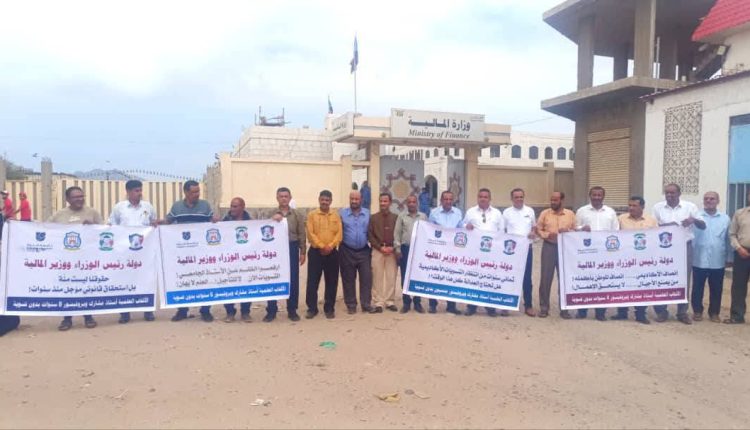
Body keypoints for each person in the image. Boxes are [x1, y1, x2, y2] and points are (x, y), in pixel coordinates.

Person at [48, 186, 103, 331]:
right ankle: (67, 319)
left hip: (87, 260)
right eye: (76, 197)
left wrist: (93, 227)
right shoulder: (59, 215)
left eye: (81, 196)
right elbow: (46, 230)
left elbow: (104, 232)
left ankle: (88, 316)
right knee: (67, 288)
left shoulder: (92, 212)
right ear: (67, 199)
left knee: (86, 287)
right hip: (66, 261)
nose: (80, 199)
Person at [652, 183, 706, 324]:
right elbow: (652, 227)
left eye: (672, 192)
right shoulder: (658, 207)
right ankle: (661, 311)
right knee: (661, 277)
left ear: (679, 193)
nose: (669, 195)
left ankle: (682, 312)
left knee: (684, 279)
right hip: (663, 248)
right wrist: (667, 226)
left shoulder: (690, 207)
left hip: (684, 247)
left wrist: (693, 220)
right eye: (667, 193)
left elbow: (703, 225)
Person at [165, 180, 216, 323]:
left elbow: (212, 220)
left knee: (204, 280)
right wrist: (158, 224)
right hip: (183, 253)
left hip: (202, 252)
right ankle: (182, 311)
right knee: (183, 280)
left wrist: (215, 220)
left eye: (198, 191)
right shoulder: (177, 207)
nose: (197, 194)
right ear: (186, 192)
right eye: (194, 192)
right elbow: (168, 222)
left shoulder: (205, 205)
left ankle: (205, 311)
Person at [108, 179, 157, 324]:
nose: (139, 193)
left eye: (140, 190)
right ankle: (124, 312)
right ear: (128, 192)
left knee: (146, 279)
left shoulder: (148, 206)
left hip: (144, 251)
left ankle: (148, 310)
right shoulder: (119, 208)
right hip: (125, 252)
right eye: (136, 191)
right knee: (124, 280)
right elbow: (112, 226)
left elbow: (153, 223)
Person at [575, 186, 619, 321]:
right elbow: (574, 228)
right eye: (594, 195)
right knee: (585, 281)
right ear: (590, 196)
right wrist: (582, 228)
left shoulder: (610, 212)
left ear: (603, 196)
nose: (596, 197)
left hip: (605, 253)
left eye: (599, 195)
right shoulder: (582, 211)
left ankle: (600, 312)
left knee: (603, 282)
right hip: (587, 252)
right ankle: (582, 311)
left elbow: (616, 231)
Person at [612, 196, 658, 324]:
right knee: (623, 285)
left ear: (642, 207)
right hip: (625, 258)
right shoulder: (621, 219)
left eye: (634, 206)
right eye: (630, 205)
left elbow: (655, 238)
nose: (631, 208)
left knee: (642, 285)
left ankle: (640, 313)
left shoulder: (651, 220)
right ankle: (622, 312)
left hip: (644, 259)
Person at [264, 187, 305, 322]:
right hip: (275, 250)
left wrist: (303, 252)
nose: (283, 199)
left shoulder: (297, 215)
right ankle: (271, 311)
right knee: (273, 277)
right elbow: (263, 230)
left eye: (286, 196)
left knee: (293, 279)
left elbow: (301, 234)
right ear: (277, 198)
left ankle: (292, 310)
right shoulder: (270, 214)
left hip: (291, 247)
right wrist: (272, 220)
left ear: (290, 198)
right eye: (281, 196)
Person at [463, 188, 505, 317]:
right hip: (474, 252)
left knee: (490, 278)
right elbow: (463, 226)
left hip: (491, 252)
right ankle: (471, 306)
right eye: (480, 196)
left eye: (486, 197)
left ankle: (490, 306)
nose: (483, 199)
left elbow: (502, 231)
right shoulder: (470, 212)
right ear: (477, 198)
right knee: (473, 278)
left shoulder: (497, 213)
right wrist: (466, 226)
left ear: (490, 199)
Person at [689, 192, 730, 322]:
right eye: (706, 198)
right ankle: (697, 311)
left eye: (712, 199)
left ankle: (714, 313)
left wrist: (729, 258)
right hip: (698, 259)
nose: (709, 201)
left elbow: (728, 239)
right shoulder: (697, 217)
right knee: (697, 288)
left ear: (718, 201)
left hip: (717, 260)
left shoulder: (725, 218)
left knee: (716, 288)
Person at [536, 191, 576, 319]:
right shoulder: (545, 213)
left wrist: (568, 231)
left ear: (562, 200)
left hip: (565, 249)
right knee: (545, 278)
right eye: (552, 200)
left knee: (564, 279)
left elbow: (576, 230)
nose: (553, 202)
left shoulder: (570, 214)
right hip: (549, 247)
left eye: (555, 200)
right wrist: (547, 235)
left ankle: (564, 309)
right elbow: (538, 229)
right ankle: (544, 308)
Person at [305, 190, 342, 319]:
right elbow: (310, 233)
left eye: (327, 200)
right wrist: (321, 246)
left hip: (332, 253)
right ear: (319, 200)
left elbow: (339, 234)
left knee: (332, 281)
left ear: (331, 201)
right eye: (322, 199)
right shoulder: (312, 215)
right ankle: (312, 308)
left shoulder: (336, 215)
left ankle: (329, 308)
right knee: (312, 282)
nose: (324, 202)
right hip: (316, 252)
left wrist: (330, 246)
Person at [428, 190, 463, 315]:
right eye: (445, 199)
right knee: (435, 276)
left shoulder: (458, 213)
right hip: (437, 250)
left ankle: (451, 306)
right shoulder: (434, 213)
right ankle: (433, 305)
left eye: (450, 199)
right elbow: (429, 230)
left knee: (452, 277)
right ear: (441, 200)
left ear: (453, 200)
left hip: (453, 251)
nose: (448, 201)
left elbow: (461, 230)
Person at [503, 188, 537, 317]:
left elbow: (534, 226)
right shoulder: (506, 212)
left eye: (521, 197)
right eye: (516, 197)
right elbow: (502, 230)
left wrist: (533, 232)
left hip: (526, 248)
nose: (519, 199)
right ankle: (506, 304)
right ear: (511, 199)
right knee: (509, 276)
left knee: (526, 278)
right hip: (511, 250)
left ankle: (528, 305)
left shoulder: (530, 211)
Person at [338, 191, 373, 314]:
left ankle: (366, 304)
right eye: (352, 199)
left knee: (366, 278)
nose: (354, 201)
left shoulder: (367, 214)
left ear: (361, 200)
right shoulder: (342, 214)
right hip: (347, 250)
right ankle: (351, 305)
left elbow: (371, 231)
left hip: (364, 251)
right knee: (348, 279)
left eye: (356, 199)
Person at [221, 197, 252, 323]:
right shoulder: (224, 221)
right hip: (229, 259)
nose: (232, 209)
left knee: (246, 284)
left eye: (235, 206)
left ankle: (245, 312)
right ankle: (230, 312)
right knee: (228, 285)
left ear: (242, 207)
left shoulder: (251, 222)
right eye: (231, 206)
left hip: (245, 259)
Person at [395, 194, 427, 313]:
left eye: (414, 202)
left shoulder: (423, 216)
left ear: (417, 203)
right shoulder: (401, 216)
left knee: (418, 276)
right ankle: (406, 302)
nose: (412, 204)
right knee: (405, 276)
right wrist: (398, 249)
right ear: (406, 204)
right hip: (405, 249)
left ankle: (417, 302)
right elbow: (397, 234)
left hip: (419, 250)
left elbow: (427, 233)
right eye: (409, 202)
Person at [368, 192, 398, 313]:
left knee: (391, 276)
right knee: (377, 277)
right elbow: (370, 235)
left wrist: (393, 247)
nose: (383, 203)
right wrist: (380, 248)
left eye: (385, 201)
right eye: (381, 201)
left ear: (390, 202)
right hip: (378, 250)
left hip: (391, 251)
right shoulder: (373, 218)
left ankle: (390, 301)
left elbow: (398, 234)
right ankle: (378, 302)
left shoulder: (395, 218)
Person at [725, 188, 750, 324]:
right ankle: (737, 316)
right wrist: (739, 248)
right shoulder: (740, 213)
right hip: (742, 253)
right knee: (738, 286)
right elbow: (732, 234)